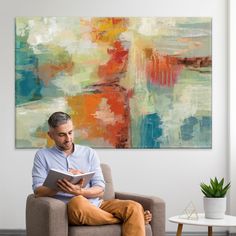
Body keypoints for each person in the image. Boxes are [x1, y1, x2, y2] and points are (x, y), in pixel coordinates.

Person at [32, 111, 152, 236]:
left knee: (134, 207)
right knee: (77, 201)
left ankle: (133, 216)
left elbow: (100, 190)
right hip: (72, 208)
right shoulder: (42, 156)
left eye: (70, 133)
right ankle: (127, 219)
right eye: (62, 135)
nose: (68, 139)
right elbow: (38, 191)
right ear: (51, 135)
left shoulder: (89, 153)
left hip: (98, 204)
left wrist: (80, 191)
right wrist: (62, 185)